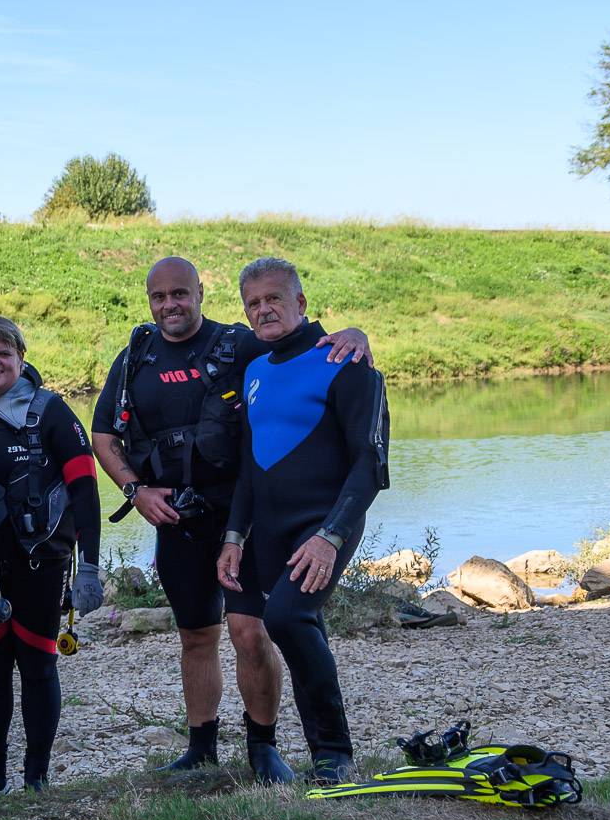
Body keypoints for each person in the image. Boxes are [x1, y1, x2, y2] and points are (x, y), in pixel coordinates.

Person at [91, 257, 369, 781]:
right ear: (149, 301)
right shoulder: (136, 357)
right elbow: (103, 433)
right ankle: (202, 747)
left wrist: (350, 335)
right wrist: (135, 490)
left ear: (200, 292)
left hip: (243, 515)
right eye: (159, 297)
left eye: (180, 293)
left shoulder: (237, 344)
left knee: (248, 629)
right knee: (195, 635)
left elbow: (297, 346)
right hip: (174, 519)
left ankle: (263, 748)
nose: (170, 304)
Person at [217, 258, 390, 785]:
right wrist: (233, 536)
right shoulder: (254, 371)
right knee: (246, 628)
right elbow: (250, 464)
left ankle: (333, 753)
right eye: (254, 303)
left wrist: (331, 536)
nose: (264, 309)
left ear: (301, 303)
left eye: (274, 298)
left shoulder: (347, 360)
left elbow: (371, 464)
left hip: (323, 522)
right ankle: (262, 756)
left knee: (289, 618)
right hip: (262, 528)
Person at [0, 317, 103, 795]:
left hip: (41, 566)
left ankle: (35, 776)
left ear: (20, 358)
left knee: (37, 667)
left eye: (4, 354)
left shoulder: (51, 412)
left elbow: (86, 491)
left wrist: (91, 567)